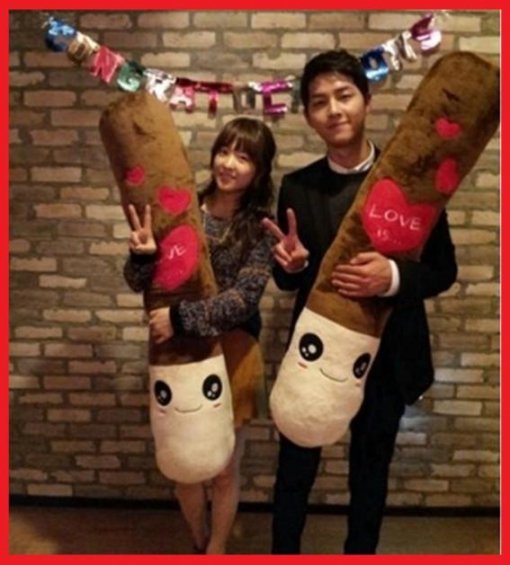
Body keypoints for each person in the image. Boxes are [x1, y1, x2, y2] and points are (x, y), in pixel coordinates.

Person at [262, 49, 458, 554]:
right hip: (318, 355)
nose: (334, 110)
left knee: (370, 475)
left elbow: (443, 270)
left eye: (344, 95)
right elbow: (286, 280)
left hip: (389, 356)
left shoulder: (409, 180)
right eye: (319, 102)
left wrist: (390, 276)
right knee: (294, 472)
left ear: (367, 100)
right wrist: (293, 266)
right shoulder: (298, 187)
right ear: (309, 116)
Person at [124, 117, 277, 554]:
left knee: (225, 469)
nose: (228, 164)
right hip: (180, 355)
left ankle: (216, 551)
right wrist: (141, 257)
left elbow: (243, 300)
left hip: (234, 352)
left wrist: (180, 317)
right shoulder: (180, 209)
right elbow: (139, 282)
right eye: (223, 151)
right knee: (185, 468)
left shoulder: (261, 228)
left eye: (243, 157)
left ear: (260, 170)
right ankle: (199, 543)